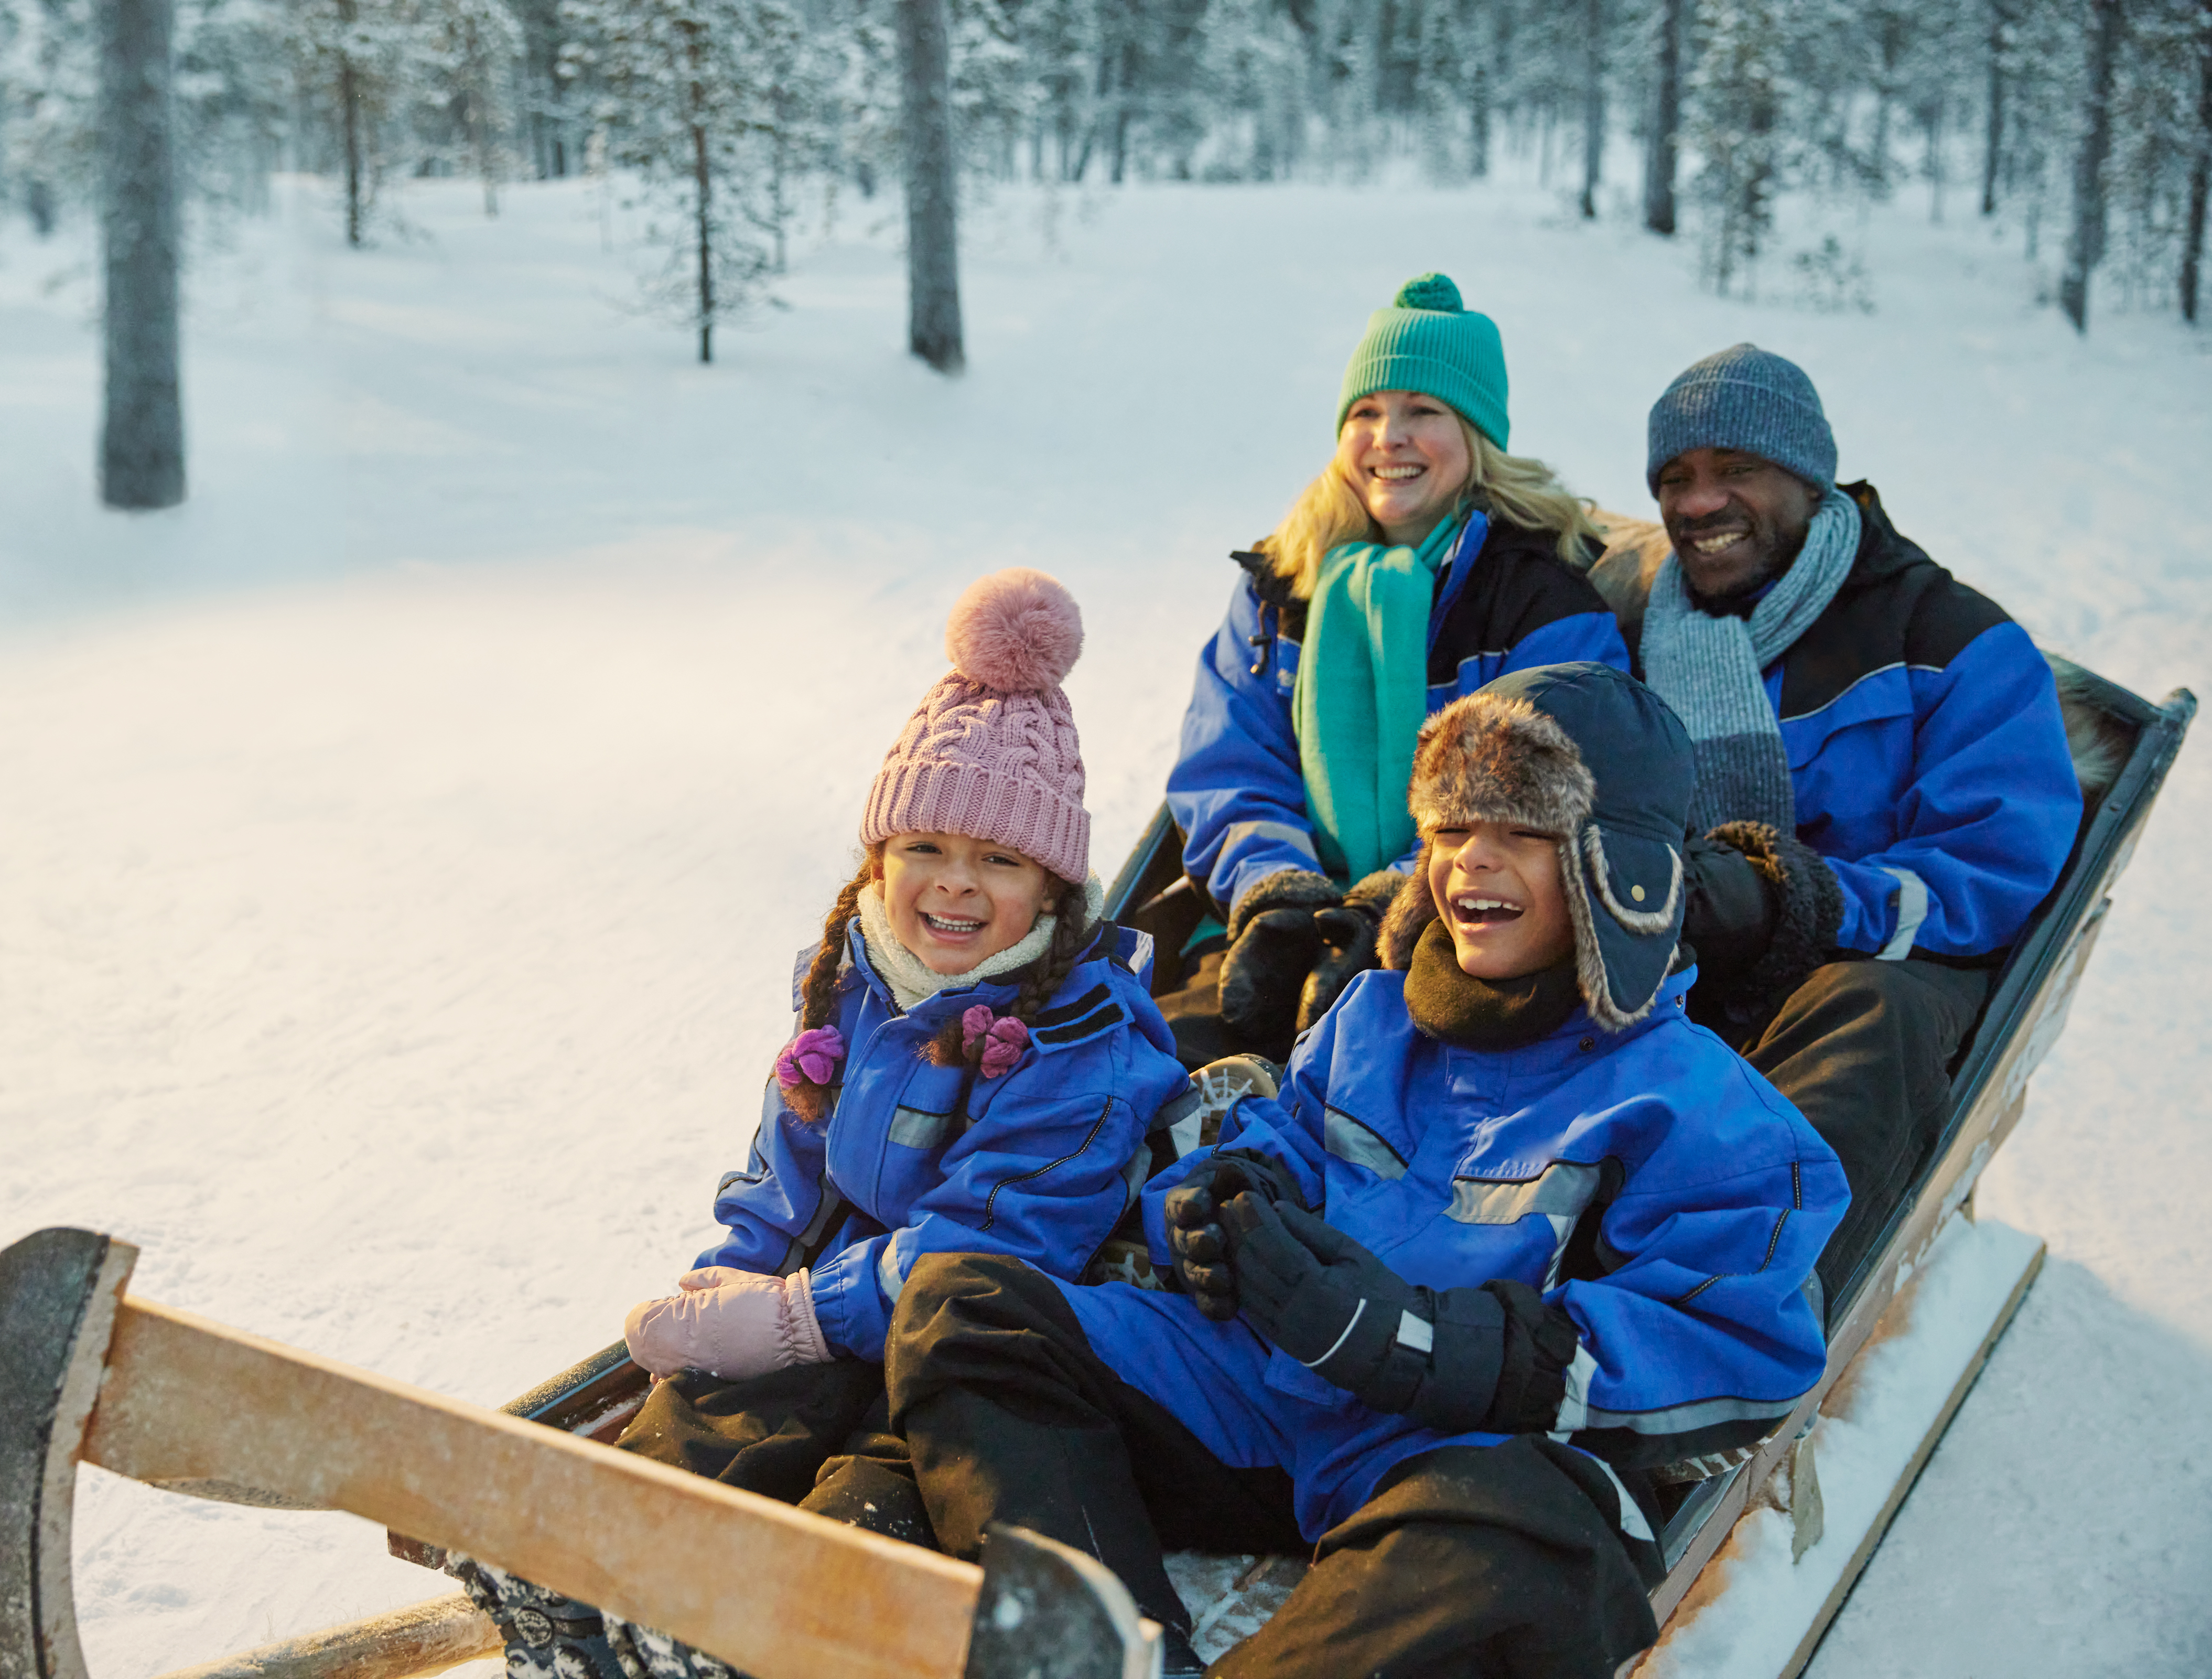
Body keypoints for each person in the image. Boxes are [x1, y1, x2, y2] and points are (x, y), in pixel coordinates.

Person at [884, 662, 1848, 1679]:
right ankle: (1104, 1657)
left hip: (1445, 1465)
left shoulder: (1704, 1107)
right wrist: (1227, 1204)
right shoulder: (1376, 1016)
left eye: (1521, 830)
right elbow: (1281, 1137)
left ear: (1619, 871)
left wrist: (1420, 1340)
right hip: (1262, 1399)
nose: (1472, 860)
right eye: (1451, 827)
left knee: (1541, 1546)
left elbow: (1743, 1348)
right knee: (964, 1304)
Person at [448, 569, 1193, 1679]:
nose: (955, 885)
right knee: (730, 1397)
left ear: (1052, 888)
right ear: (879, 858)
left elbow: (991, 1244)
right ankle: (590, 1564)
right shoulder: (849, 986)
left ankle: (774, 1616)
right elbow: (785, 1181)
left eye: (998, 860)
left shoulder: (1085, 1041)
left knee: (886, 1458)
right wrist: (727, 1299)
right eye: (925, 848)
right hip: (853, 1295)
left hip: (990, 1337)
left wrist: (796, 1315)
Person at [1612, 344, 2082, 1298]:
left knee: (1870, 1010)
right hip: (1685, 951)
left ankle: (1729, 1314)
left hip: (1872, 966)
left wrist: (1792, 899)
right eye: (1676, 478)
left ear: (1809, 477)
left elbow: (1988, 874)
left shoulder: (1954, 640)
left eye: (1736, 468)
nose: (1700, 502)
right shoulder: (1641, 629)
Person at [1162, 272, 1630, 1070]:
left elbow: (1543, 804)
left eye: (1424, 412)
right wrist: (1277, 891)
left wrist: (1394, 904)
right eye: (1367, 413)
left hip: (1460, 933)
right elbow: (1229, 765)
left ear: (1477, 436)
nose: (1390, 438)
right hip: (1273, 913)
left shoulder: (1543, 603)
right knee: (1169, 1061)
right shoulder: (1282, 586)